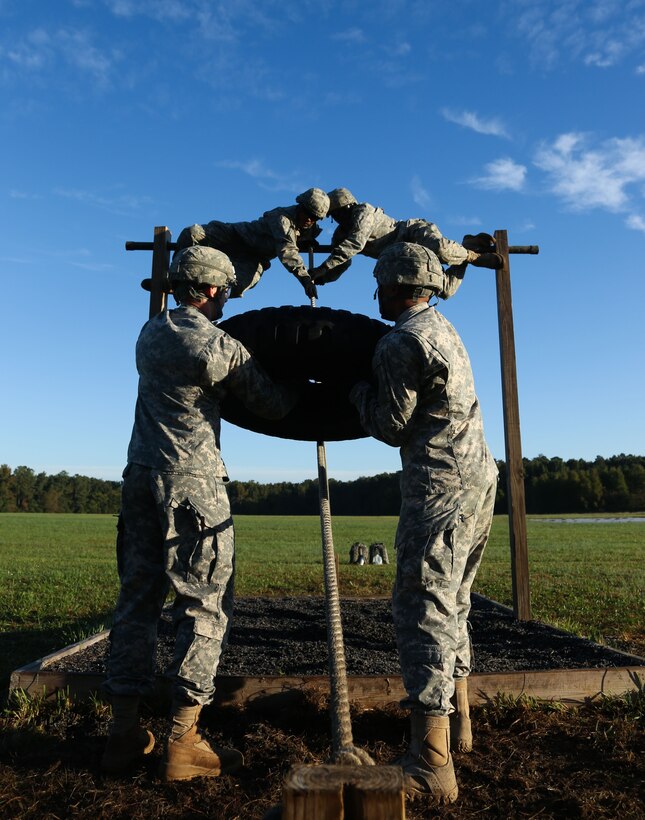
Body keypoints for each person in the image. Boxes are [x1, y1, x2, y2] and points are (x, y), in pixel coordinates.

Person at [102, 246, 297, 781]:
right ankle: (183, 738)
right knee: (203, 605)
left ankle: (123, 732)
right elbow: (273, 405)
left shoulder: (150, 334)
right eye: (225, 291)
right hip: (193, 485)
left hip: (140, 476)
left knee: (137, 600)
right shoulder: (218, 347)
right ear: (213, 290)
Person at [349, 242, 498, 805]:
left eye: (380, 284)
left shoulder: (400, 342)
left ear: (393, 285)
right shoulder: (445, 329)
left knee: (423, 604)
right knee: (455, 600)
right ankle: (460, 725)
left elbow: (390, 425)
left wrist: (354, 390)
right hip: (478, 477)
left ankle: (431, 763)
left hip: (438, 487)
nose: (376, 294)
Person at [310, 187, 502, 299]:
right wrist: (322, 277)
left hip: (411, 233)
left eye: (339, 212)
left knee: (442, 251)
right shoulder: (340, 235)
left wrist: (324, 267)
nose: (337, 217)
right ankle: (466, 246)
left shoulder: (363, 212)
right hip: (405, 256)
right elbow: (343, 261)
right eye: (333, 215)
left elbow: (355, 244)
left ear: (348, 206)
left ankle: (472, 256)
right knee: (445, 290)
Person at [175, 188, 330, 299]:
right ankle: (174, 277)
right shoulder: (282, 218)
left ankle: (197, 294)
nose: (309, 220)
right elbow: (287, 250)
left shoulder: (309, 228)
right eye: (307, 213)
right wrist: (304, 279)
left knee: (236, 286)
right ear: (300, 206)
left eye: (314, 217)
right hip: (236, 237)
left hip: (254, 259)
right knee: (193, 233)